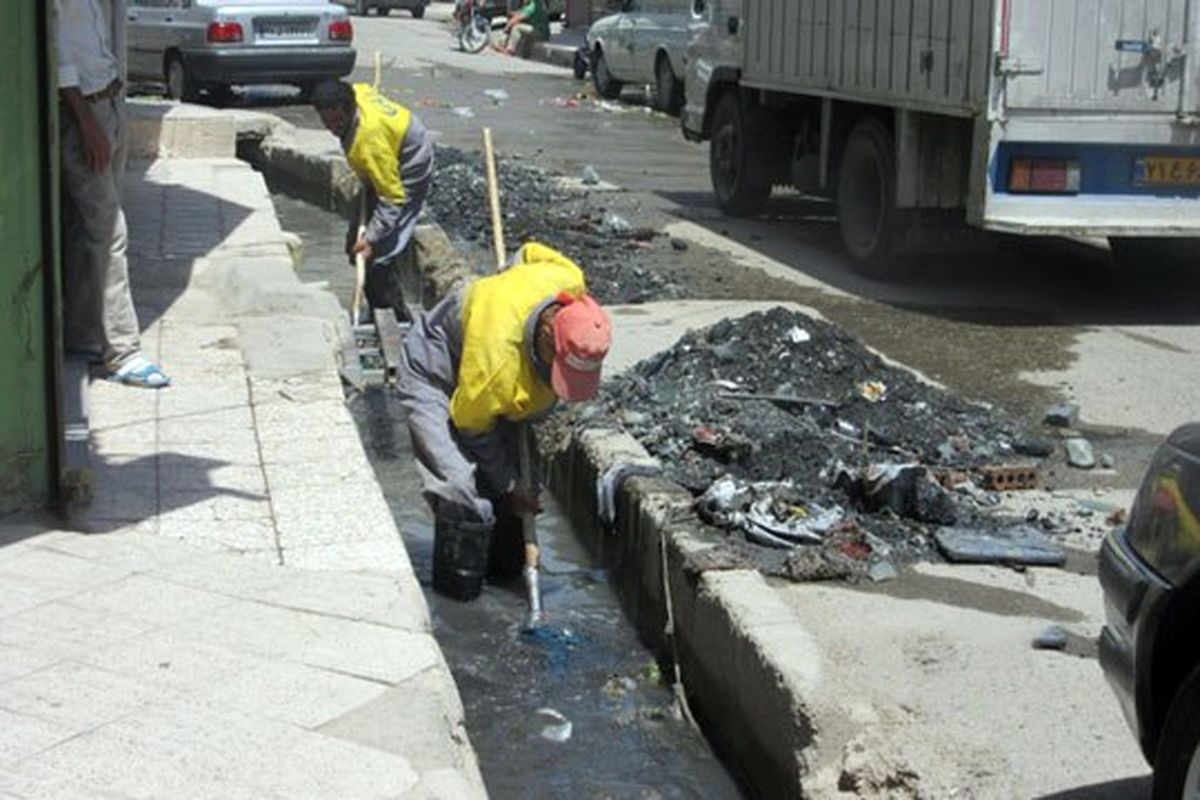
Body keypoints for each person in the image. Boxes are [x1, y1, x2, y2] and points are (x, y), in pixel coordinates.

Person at [397, 242, 612, 600]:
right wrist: (509, 485)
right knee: (461, 489)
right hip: (435, 372)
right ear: (546, 339)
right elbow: (469, 425)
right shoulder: (497, 366)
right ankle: (459, 600)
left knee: (523, 491)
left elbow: (530, 252)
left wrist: (509, 273)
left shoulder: (567, 278)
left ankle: (505, 575)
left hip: (494, 384)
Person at [58, 0, 169, 387]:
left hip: (106, 102)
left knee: (83, 228)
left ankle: (82, 334)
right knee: (108, 231)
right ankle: (122, 351)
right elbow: (56, 51)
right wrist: (86, 120)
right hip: (81, 113)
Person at [311, 79, 435, 314]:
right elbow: (366, 87)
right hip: (389, 149)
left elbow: (393, 199)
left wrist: (371, 240)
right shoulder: (355, 93)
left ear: (348, 109)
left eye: (337, 122)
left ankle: (393, 313)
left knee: (378, 257)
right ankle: (375, 299)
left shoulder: (368, 141)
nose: (332, 128)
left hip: (410, 159)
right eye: (326, 122)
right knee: (354, 247)